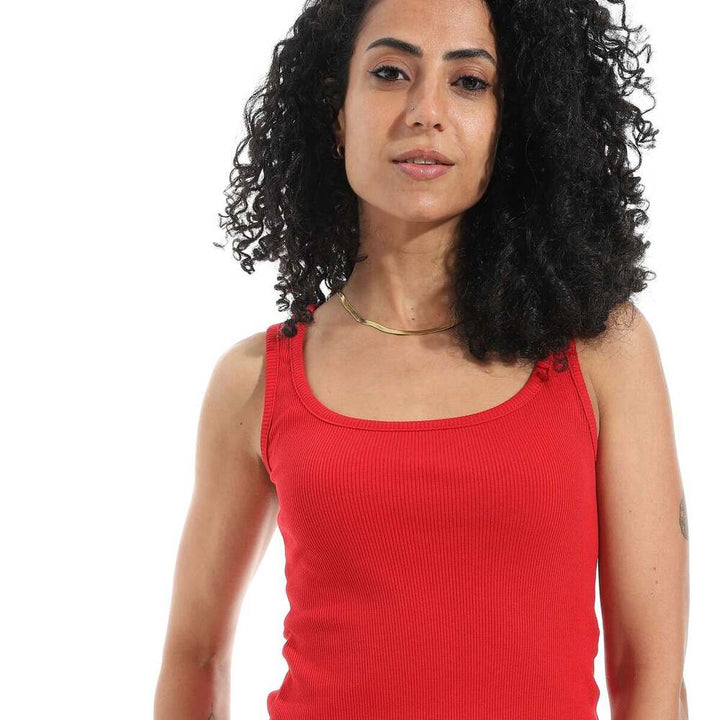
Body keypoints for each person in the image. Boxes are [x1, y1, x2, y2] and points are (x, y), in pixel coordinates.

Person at [154, 0, 690, 718]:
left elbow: (650, 674)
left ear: (511, 120)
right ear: (337, 111)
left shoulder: (600, 351)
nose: (425, 112)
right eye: (390, 73)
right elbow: (195, 654)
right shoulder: (256, 380)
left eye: (469, 82)